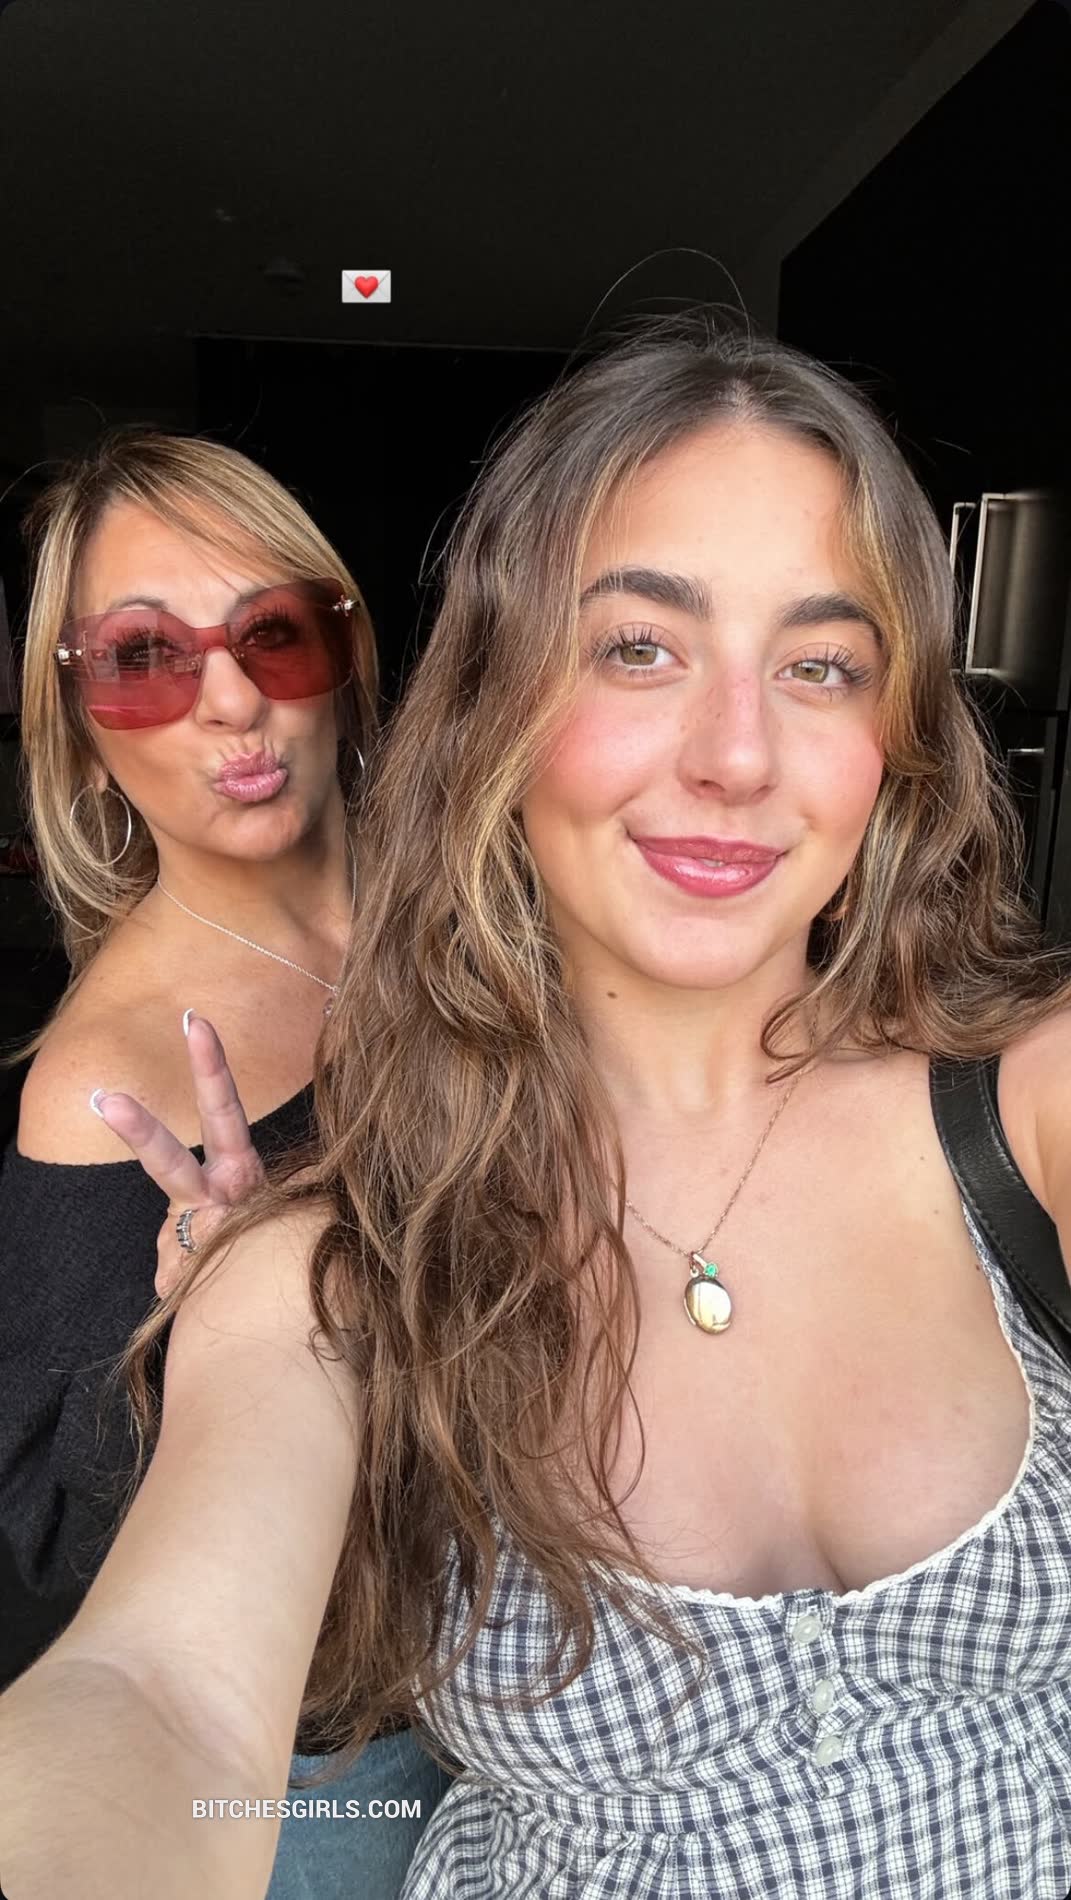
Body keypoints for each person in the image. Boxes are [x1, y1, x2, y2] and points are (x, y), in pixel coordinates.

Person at [3, 314, 1071, 1900]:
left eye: (821, 665)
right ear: (496, 702)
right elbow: (157, 1689)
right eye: (639, 647)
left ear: (894, 740)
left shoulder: (1030, 1105)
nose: (736, 754)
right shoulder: (341, 1240)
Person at [0, 430, 450, 1898]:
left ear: (344, 657)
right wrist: (211, 1332)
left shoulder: (462, 911)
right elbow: (64, 1547)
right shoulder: (106, 1083)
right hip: (338, 1763)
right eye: (145, 657)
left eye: (274, 633)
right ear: (80, 722)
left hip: (561, 1672)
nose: (234, 700)